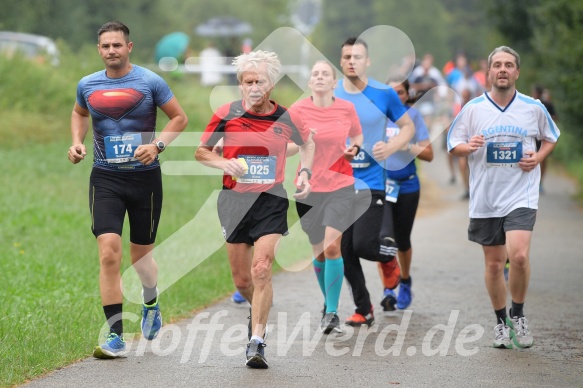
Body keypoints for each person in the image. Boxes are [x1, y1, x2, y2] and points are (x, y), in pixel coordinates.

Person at [68, 21, 188, 359]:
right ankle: (116, 335)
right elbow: (79, 113)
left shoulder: (150, 81)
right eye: (105, 46)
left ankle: (150, 299)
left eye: (116, 45)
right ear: (99, 50)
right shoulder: (87, 84)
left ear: (129, 47)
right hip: (105, 178)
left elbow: (179, 118)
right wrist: (77, 142)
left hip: (144, 179)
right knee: (108, 252)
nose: (110, 51)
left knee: (141, 258)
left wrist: (158, 146)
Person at [194, 50, 315, 369]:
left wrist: (305, 171)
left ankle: (257, 341)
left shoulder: (287, 117)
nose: (254, 87)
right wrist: (223, 162)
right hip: (234, 201)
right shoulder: (226, 113)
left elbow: (308, 143)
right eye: (248, 81)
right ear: (240, 84)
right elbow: (201, 152)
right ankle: (257, 309)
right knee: (242, 282)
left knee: (261, 268)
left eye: (260, 80)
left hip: (271, 201)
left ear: (272, 83)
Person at [447, 46, 560, 349]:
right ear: (489, 71)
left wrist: (537, 158)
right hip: (486, 196)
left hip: (521, 192)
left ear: (517, 72)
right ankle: (501, 323)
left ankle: (519, 315)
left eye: (508, 65)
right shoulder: (473, 109)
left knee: (519, 255)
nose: (503, 70)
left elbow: (551, 137)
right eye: (497, 65)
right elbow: (452, 143)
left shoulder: (532, 107)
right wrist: (468, 147)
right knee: (495, 265)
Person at [334, 37, 415, 327]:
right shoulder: (331, 94)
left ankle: (389, 258)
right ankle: (364, 308)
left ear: (367, 61)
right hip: (338, 183)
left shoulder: (383, 93)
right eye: (346, 57)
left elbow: (408, 126)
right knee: (343, 252)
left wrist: (392, 148)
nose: (351, 61)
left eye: (357, 56)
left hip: (371, 181)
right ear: (341, 61)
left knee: (365, 246)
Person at [289, 60, 363, 333]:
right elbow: (288, 146)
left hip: (341, 185)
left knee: (333, 247)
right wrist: (301, 141)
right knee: (318, 252)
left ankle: (331, 312)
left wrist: (354, 148)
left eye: (326, 74)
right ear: (310, 82)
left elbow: (357, 135)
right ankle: (327, 302)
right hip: (307, 187)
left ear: (334, 83)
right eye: (315, 74)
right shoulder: (298, 110)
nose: (320, 77)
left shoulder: (346, 108)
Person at [377, 76, 434, 311]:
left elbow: (429, 154)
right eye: (391, 92)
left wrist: (407, 146)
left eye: (400, 92)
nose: (396, 96)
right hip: (381, 185)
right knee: (383, 238)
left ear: (407, 94)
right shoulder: (377, 117)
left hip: (408, 185)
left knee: (402, 240)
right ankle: (388, 288)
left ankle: (406, 281)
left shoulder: (414, 116)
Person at [531, 85, 558, 194]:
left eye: (533, 91)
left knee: (540, 158)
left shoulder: (545, 104)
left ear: (537, 93)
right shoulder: (531, 103)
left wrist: (546, 120)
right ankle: (538, 182)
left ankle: (539, 183)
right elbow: (556, 117)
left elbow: (555, 117)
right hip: (536, 134)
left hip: (541, 135)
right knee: (539, 159)